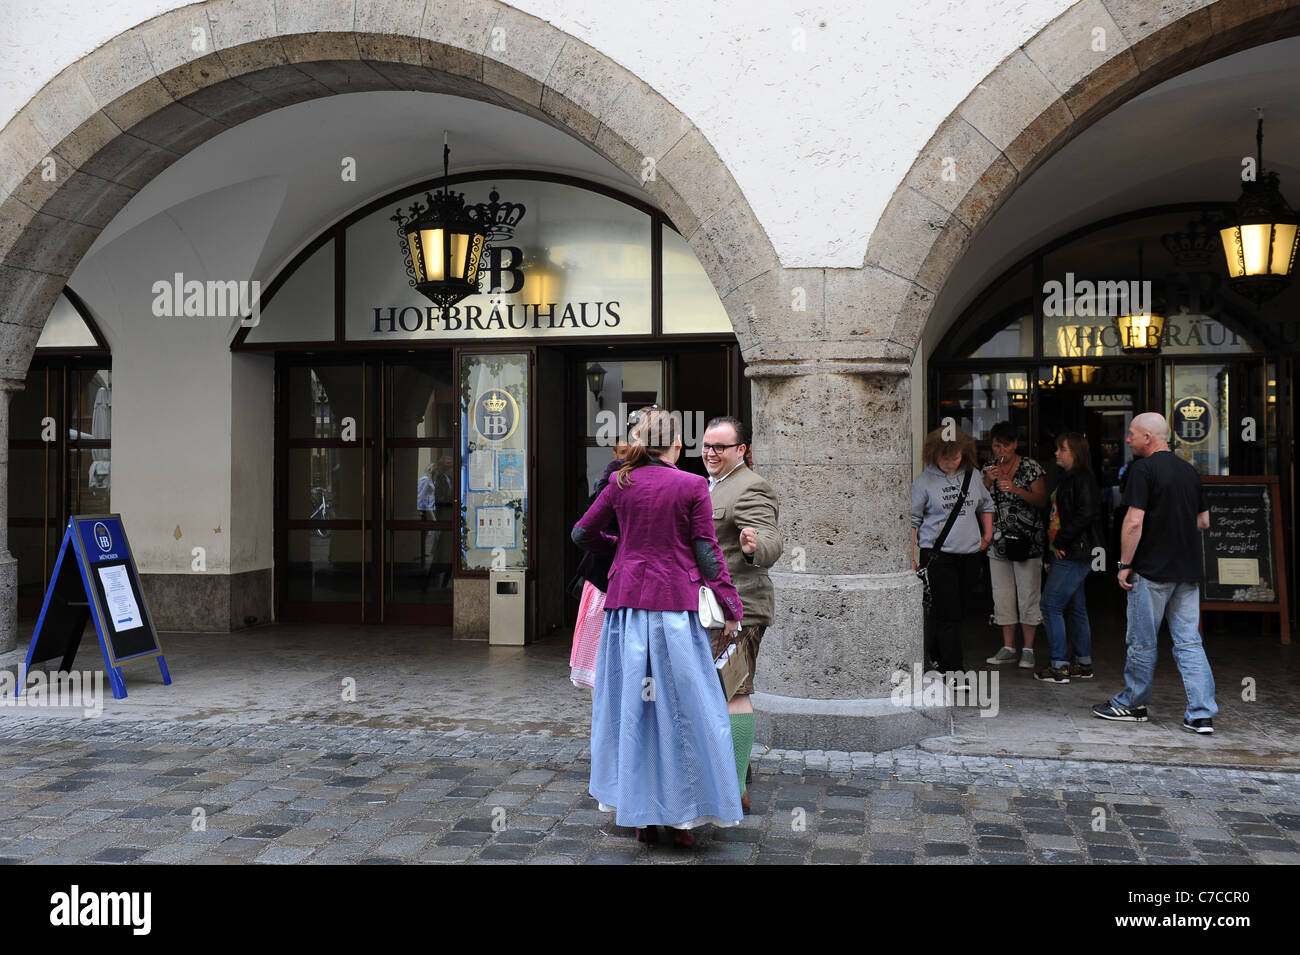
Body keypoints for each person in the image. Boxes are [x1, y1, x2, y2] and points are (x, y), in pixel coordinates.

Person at [572, 407, 744, 845]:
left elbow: (582, 534)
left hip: (627, 611)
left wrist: (624, 552)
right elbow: (706, 551)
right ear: (677, 445)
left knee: (632, 711)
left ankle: (638, 813)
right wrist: (730, 606)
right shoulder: (691, 485)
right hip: (674, 612)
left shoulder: (620, 482)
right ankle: (684, 819)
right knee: (684, 710)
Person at [1093, 412, 1218, 734]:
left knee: (1142, 643)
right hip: (1187, 572)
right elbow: (1203, 522)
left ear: (1148, 437)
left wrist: (1123, 564)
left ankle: (1132, 704)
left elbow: (1134, 522)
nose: (1127, 439)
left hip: (1151, 571)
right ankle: (1201, 714)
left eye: (1132, 433)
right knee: (1190, 643)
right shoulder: (1189, 471)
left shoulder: (1143, 469)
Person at [701, 415, 782, 814]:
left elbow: (769, 539)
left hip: (740, 610)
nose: (711, 453)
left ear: (741, 450)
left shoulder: (751, 486)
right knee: (719, 692)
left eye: (720, 447)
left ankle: (733, 788)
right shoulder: (710, 485)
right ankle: (735, 772)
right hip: (711, 611)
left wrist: (754, 547)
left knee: (734, 691)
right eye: (707, 445)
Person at [910, 426, 994, 680]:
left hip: (969, 556)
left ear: (964, 454)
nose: (949, 463)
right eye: (944, 458)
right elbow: (912, 520)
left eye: (955, 457)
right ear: (934, 455)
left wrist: (987, 536)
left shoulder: (973, 475)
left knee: (959, 611)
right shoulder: (924, 481)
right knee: (947, 612)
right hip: (938, 557)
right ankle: (953, 668)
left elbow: (986, 504)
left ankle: (937, 652)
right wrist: (911, 556)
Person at [568, 416, 636, 689]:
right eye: (622, 452)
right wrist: (615, 547)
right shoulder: (612, 481)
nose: (626, 457)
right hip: (603, 580)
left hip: (622, 580)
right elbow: (584, 532)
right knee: (601, 667)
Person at [1034, 431, 1102, 684]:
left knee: (1050, 606)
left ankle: (1059, 665)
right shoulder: (1071, 478)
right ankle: (1082, 663)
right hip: (1073, 551)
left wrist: (1060, 541)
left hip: (1073, 552)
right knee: (1076, 608)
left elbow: (1085, 513)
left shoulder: (1081, 479)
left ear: (1075, 452)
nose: (1056, 453)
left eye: (1062, 449)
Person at [981, 422, 1047, 670]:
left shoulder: (1030, 467)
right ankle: (1009, 647)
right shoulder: (989, 468)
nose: (1001, 450)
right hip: (998, 542)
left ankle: (1028, 650)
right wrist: (987, 481)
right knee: (1002, 596)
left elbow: (1041, 499)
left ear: (1015, 444)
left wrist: (1016, 489)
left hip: (1027, 542)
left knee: (1029, 594)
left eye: (1005, 445)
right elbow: (977, 501)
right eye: (997, 445)